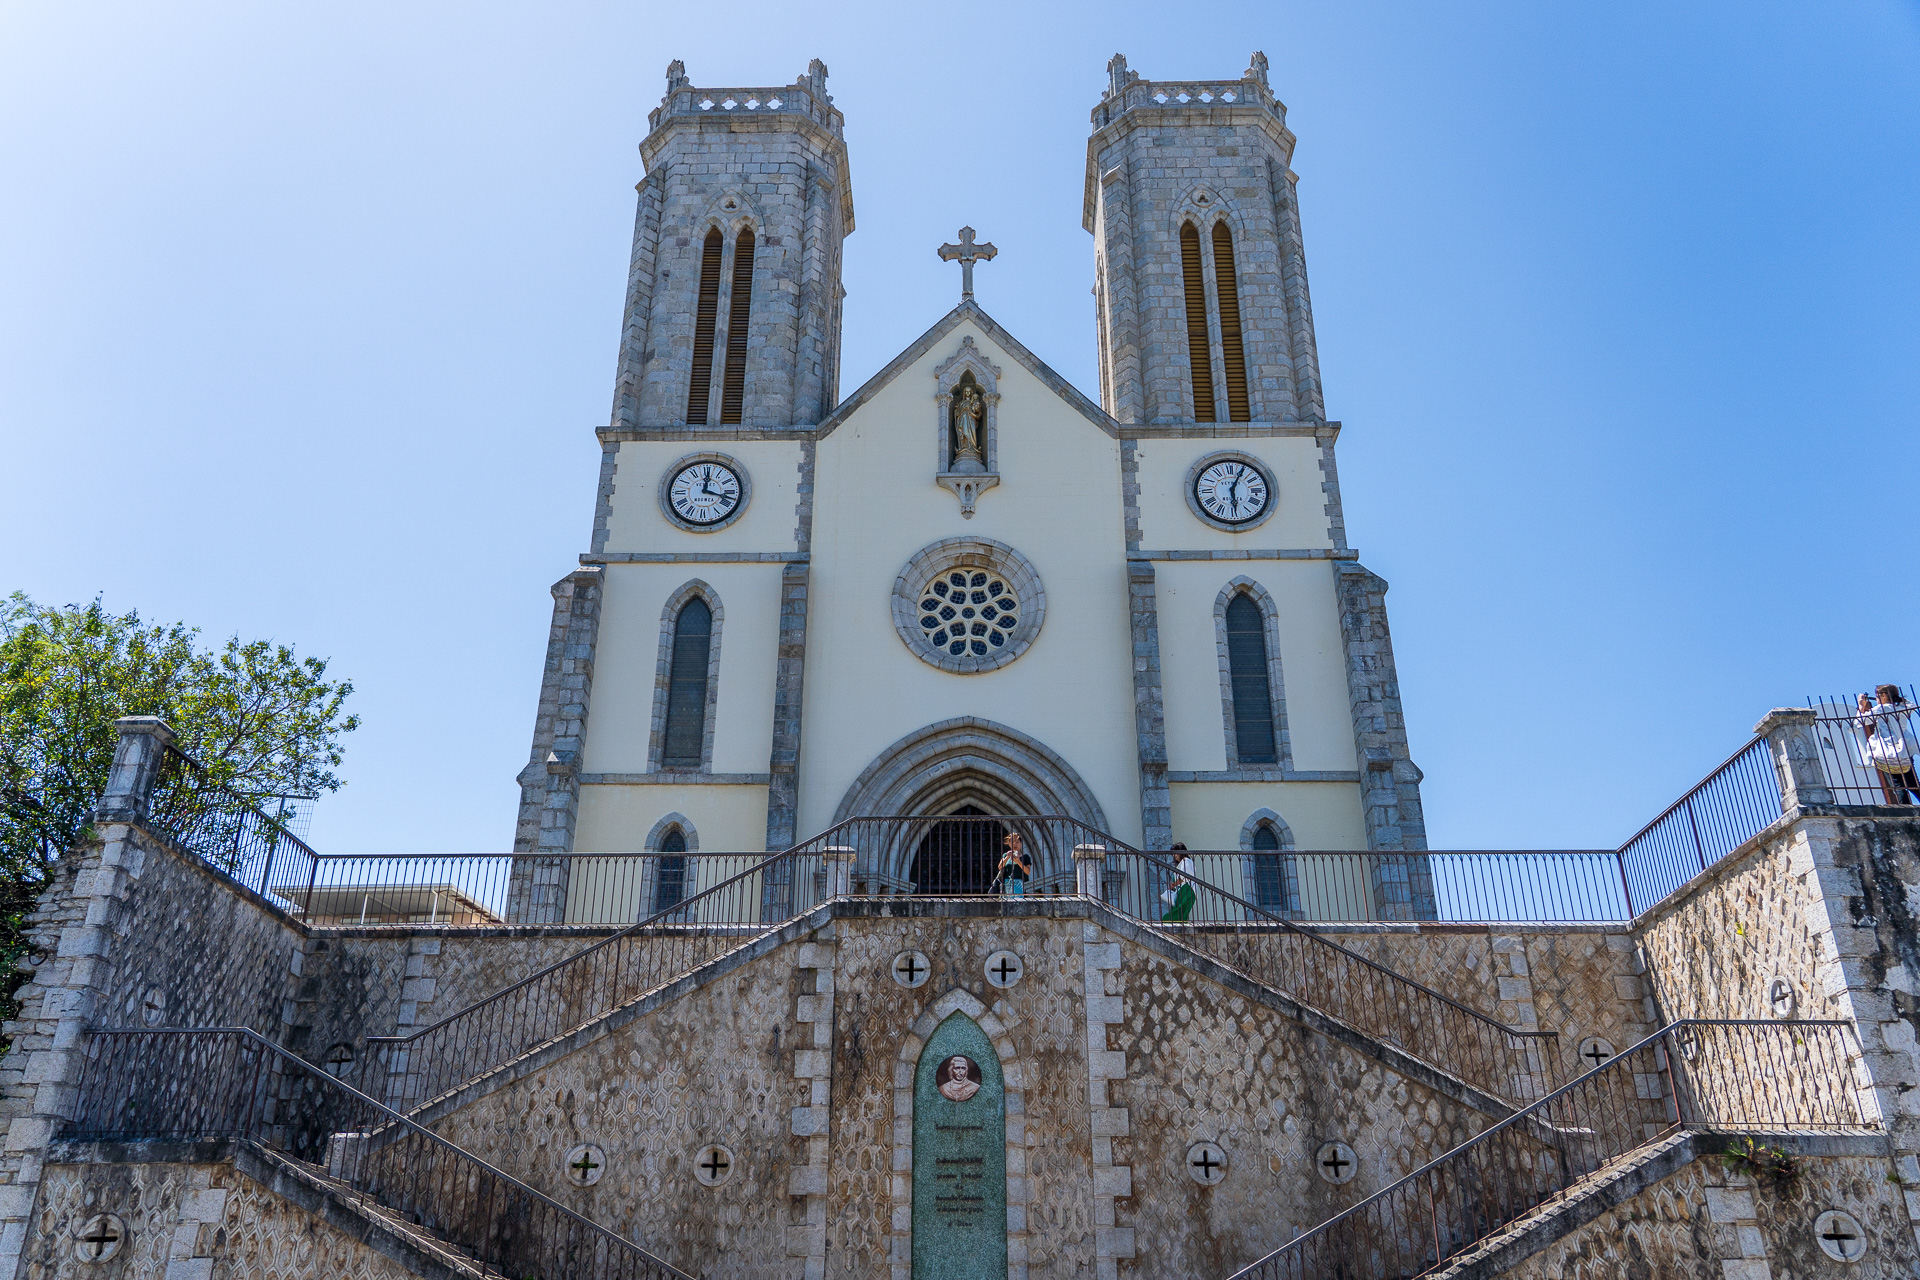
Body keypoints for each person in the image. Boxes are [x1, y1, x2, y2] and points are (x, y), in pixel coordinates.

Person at [1856, 685, 1920, 805]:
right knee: (1913, 783)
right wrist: (1899, 699)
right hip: (1905, 748)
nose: (1876, 700)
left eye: (1877, 696)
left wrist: (1861, 706)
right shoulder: (1902, 707)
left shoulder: (1880, 709)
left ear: (1884, 695)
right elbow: (1912, 705)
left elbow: (1859, 722)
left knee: (1898, 785)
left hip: (1888, 749)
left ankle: (1907, 809)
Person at [1160, 842, 1197, 923]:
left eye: (1175, 853)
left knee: (1180, 910)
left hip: (1187, 889)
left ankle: (1168, 922)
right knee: (1180, 911)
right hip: (1182, 890)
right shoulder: (1181, 863)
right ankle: (1179, 925)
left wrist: (1174, 884)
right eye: (1173, 854)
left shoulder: (1186, 861)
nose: (1174, 855)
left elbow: (1185, 876)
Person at [996, 832, 1031, 897]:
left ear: (1021, 844)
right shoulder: (1005, 855)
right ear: (1009, 844)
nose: (1015, 844)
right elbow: (1000, 867)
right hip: (1007, 885)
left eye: (1017, 842)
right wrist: (1007, 857)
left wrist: (1018, 862)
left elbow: (1027, 872)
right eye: (1012, 842)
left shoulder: (1025, 857)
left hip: (1019, 885)